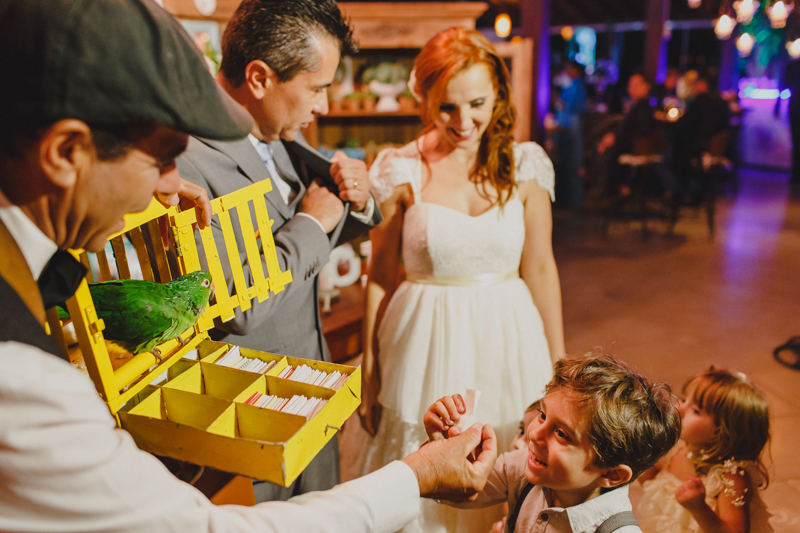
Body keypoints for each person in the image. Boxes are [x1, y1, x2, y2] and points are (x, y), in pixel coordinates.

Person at [0, 1, 500, 531]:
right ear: (66, 150)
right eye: (162, 159)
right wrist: (415, 477)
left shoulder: (276, 135)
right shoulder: (25, 378)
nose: (173, 187)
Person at [356, 27, 566, 533]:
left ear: (497, 92)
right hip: (422, 340)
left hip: (509, 338)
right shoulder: (399, 167)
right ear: (422, 97)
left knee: (510, 459)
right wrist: (369, 363)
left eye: (477, 103)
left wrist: (563, 370)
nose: (464, 121)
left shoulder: (526, 165)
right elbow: (380, 275)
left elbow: (540, 267)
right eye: (446, 106)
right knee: (427, 464)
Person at [176, 0, 383, 502]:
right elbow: (235, 303)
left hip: (308, 382)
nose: (325, 107)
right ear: (260, 77)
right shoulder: (187, 160)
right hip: (251, 413)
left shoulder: (275, 134)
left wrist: (355, 200)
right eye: (317, 88)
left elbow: (331, 215)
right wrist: (312, 221)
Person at [424, 353, 682, 533]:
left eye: (561, 434)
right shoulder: (521, 467)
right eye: (543, 415)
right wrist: (444, 451)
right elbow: (461, 492)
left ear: (611, 473)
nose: (534, 435)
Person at [635, 368, 773, 533]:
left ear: (722, 432)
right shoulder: (676, 448)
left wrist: (699, 509)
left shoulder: (731, 478)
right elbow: (650, 481)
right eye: (683, 399)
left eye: (695, 410)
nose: (680, 408)